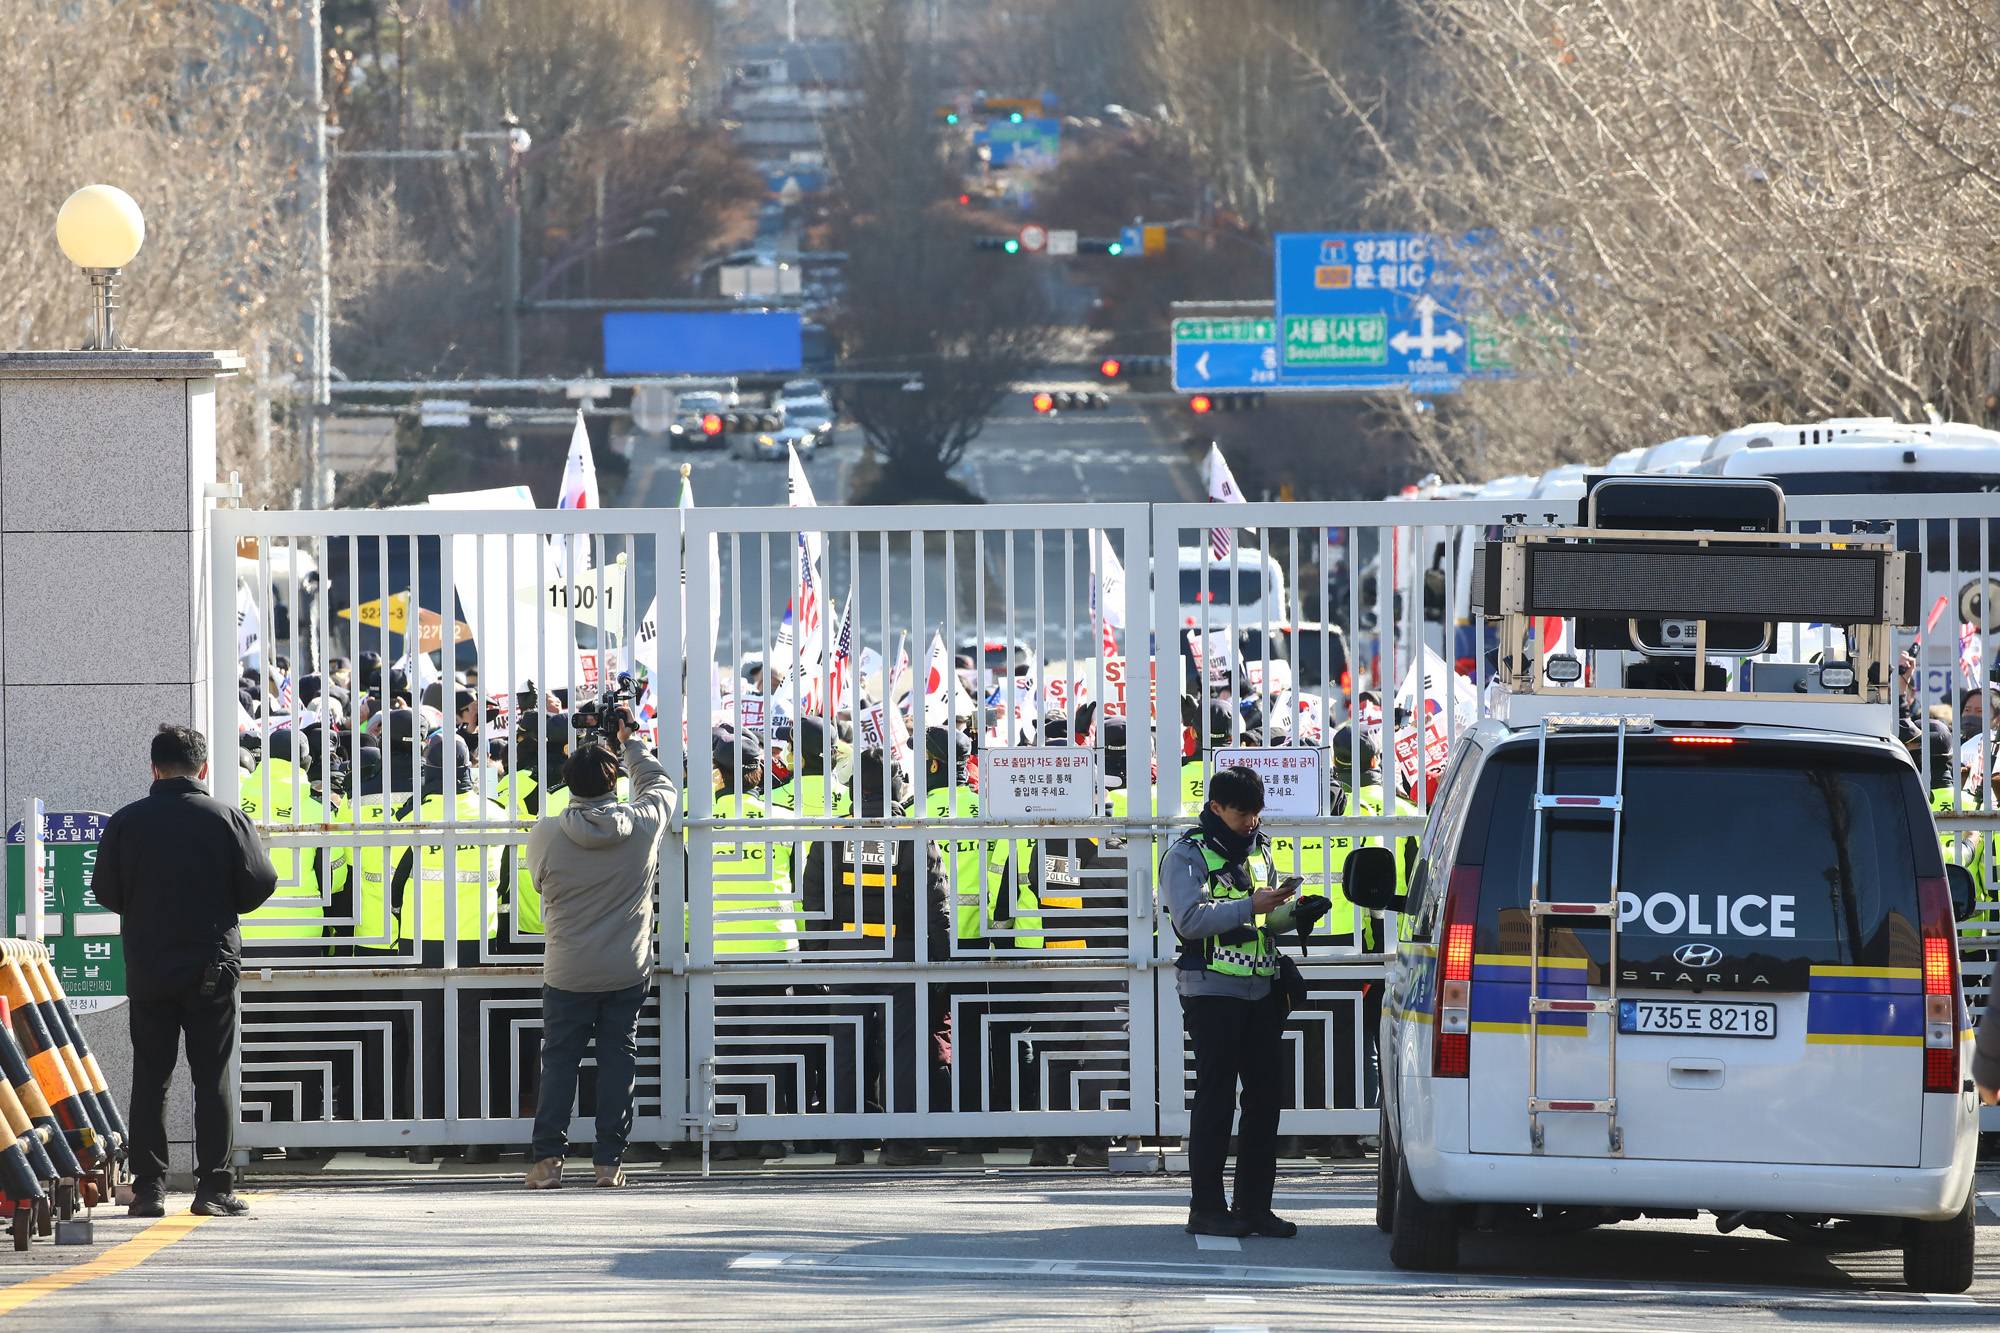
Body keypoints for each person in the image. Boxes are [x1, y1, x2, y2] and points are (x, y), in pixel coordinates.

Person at [94, 724, 278, 1219]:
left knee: (150, 1077)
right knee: (211, 1076)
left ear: (154, 768)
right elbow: (260, 883)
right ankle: (213, 1188)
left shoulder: (127, 822)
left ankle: (149, 1189)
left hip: (149, 964)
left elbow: (106, 892)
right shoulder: (226, 819)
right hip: (210, 964)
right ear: (203, 769)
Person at [523, 707, 677, 1189]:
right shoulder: (643, 822)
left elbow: (538, 883)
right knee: (618, 1058)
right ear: (614, 782)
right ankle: (609, 1163)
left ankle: (547, 1161)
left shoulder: (546, 831)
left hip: (566, 966)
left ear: (568, 782)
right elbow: (661, 786)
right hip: (626, 966)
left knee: (559, 1061)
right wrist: (632, 743)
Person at [1160, 764, 1298, 1239]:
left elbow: (1266, 919)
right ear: (1216, 807)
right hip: (1212, 989)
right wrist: (1251, 907)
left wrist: (1293, 913)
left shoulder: (1259, 847)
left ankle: (1255, 1206)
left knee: (1266, 1101)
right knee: (1216, 1101)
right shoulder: (1186, 854)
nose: (1251, 823)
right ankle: (1208, 1209)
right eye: (1242, 814)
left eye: (1257, 813)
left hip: (1261, 988)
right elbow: (1191, 921)